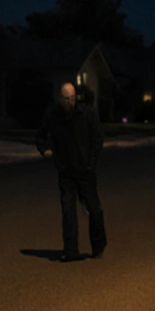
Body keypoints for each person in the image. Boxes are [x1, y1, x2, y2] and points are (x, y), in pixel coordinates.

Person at [36, 82, 107, 262]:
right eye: (67, 99)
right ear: (60, 99)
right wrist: (45, 150)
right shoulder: (53, 115)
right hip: (65, 170)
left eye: (73, 98)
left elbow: (98, 138)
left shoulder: (87, 114)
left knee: (94, 210)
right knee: (68, 212)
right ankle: (70, 251)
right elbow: (41, 135)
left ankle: (98, 246)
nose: (70, 102)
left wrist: (91, 161)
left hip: (85, 170)